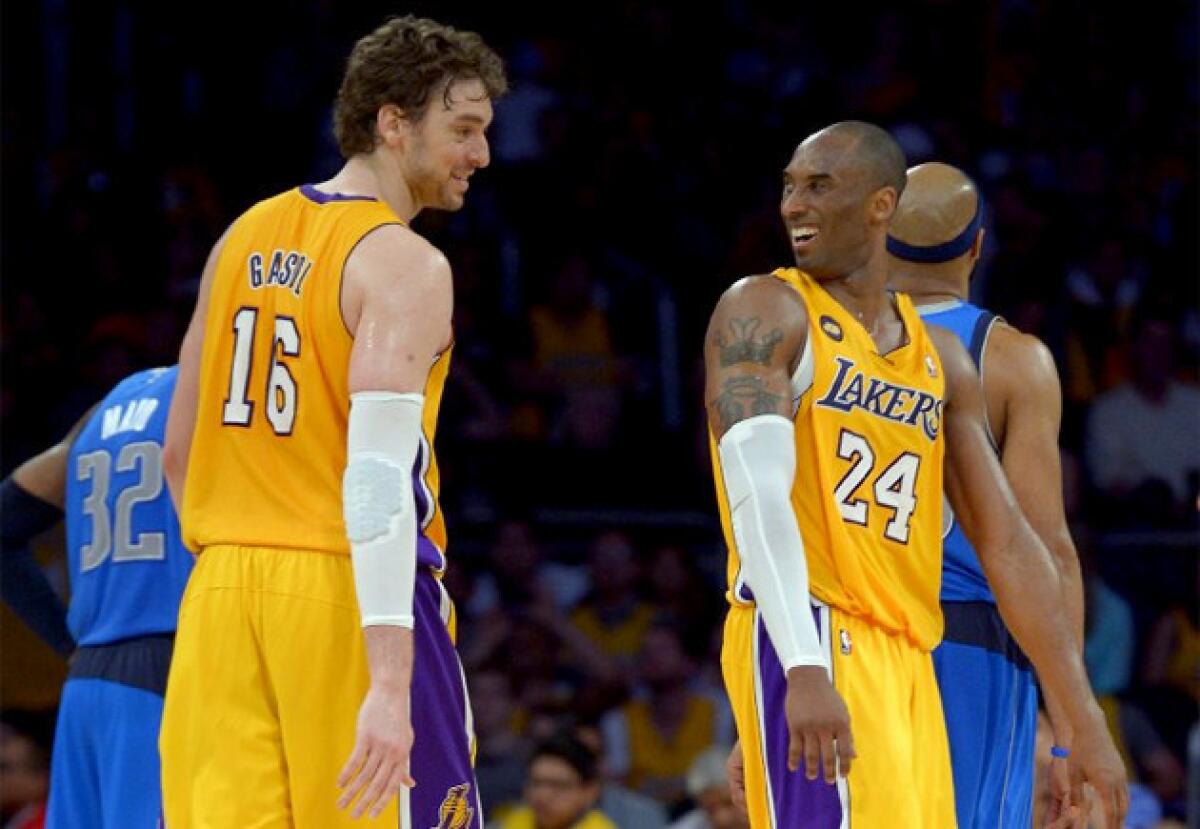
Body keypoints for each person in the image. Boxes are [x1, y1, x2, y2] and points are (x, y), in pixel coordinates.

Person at [704, 121, 1127, 827]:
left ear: (881, 207)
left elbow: (1013, 546)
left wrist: (1082, 720)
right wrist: (800, 666)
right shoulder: (766, 309)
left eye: (818, 185)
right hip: (815, 628)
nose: (792, 205)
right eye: (788, 187)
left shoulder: (941, 361)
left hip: (910, 650)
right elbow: (758, 499)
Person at [159, 15, 507, 827]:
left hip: (219, 592)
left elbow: (177, 451)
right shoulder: (404, 263)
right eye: (463, 128)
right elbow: (378, 476)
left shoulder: (243, 233)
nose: (482, 156)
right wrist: (389, 682)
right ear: (393, 121)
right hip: (346, 595)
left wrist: (237, 575)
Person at [885, 161, 1087, 827]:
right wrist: (1070, 726)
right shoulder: (1011, 359)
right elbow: (1049, 549)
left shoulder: (820, 343)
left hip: (847, 632)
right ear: (977, 246)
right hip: (968, 640)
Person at [1, 366, 191, 828]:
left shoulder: (105, 409)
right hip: (169, 674)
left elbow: (5, 522)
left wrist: (68, 646)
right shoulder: (217, 397)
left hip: (89, 682)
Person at [490, 732, 617, 829]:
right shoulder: (513, 821)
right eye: (536, 783)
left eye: (558, 785)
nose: (542, 795)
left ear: (590, 791)